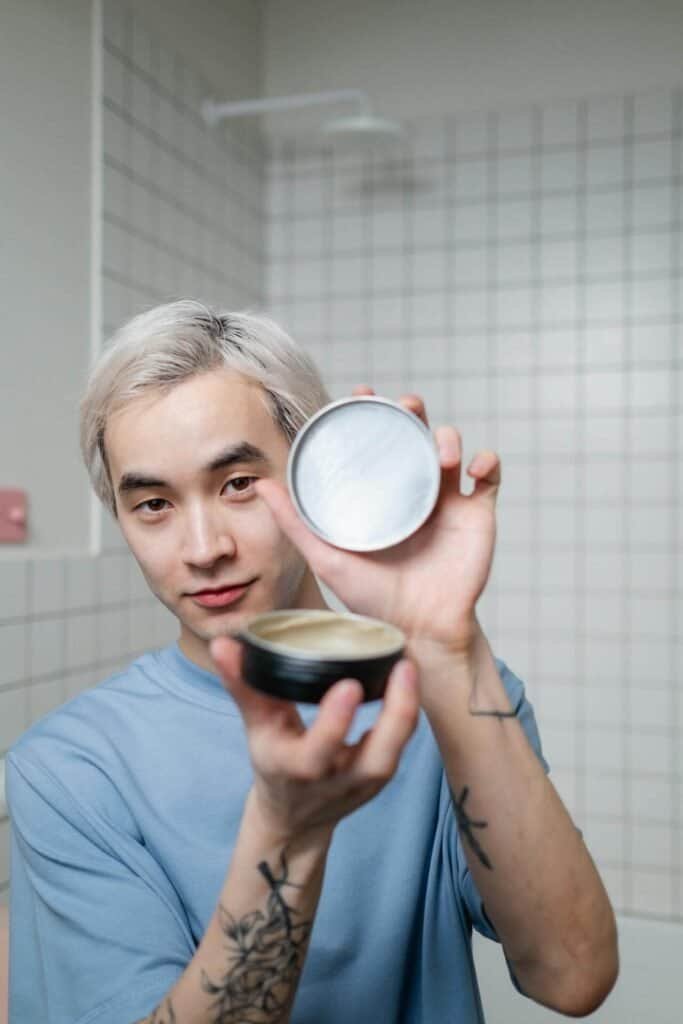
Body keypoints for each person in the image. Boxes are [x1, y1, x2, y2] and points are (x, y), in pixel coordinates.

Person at [6, 300, 618, 1024]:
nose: (202, 549)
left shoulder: (451, 694)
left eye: (237, 485)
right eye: (153, 504)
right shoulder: (69, 769)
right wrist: (286, 830)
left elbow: (572, 977)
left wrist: (449, 644)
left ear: (311, 474)